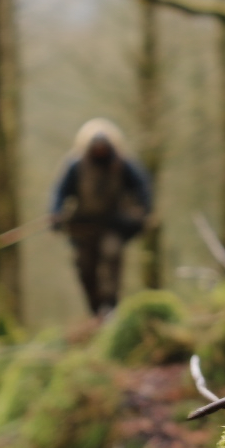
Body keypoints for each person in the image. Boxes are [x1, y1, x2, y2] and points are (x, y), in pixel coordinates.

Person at [49, 118, 153, 315]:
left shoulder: (122, 165)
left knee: (111, 253)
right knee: (84, 265)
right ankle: (96, 309)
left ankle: (110, 306)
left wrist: (142, 212)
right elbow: (59, 192)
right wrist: (55, 213)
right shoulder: (76, 167)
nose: (100, 150)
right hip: (84, 226)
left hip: (113, 224)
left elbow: (142, 187)